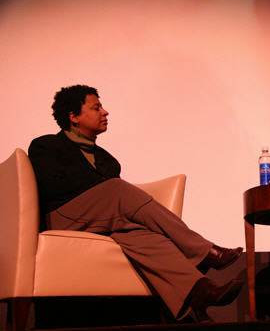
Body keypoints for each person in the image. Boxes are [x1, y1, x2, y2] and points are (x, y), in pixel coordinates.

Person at [28, 85, 244, 322]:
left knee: (144, 235)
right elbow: (54, 186)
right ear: (74, 116)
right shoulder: (46, 146)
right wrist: (102, 188)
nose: (105, 112)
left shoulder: (108, 161)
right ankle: (204, 251)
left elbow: (105, 198)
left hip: (101, 223)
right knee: (117, 189)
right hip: (61, 218)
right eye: (96, 107)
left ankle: (200, 291)